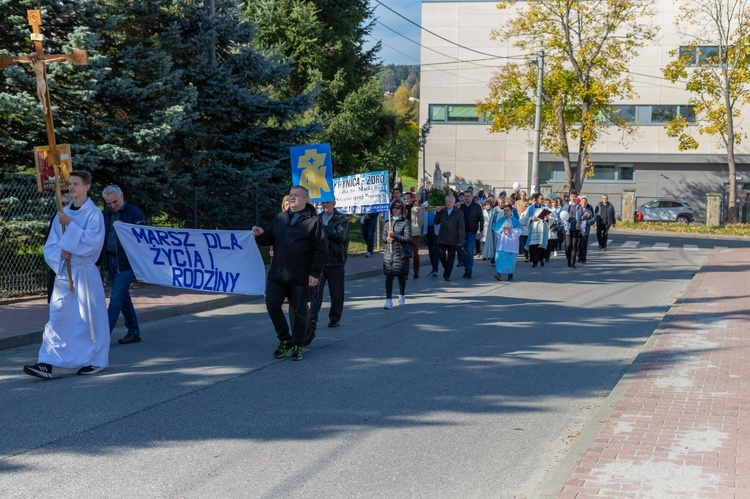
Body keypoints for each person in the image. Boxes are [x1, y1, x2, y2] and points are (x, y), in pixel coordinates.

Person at [24, 171, 110, 379]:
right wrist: (60, 253)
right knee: (58, 316)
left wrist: (70, 227)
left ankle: (97, 360)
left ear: (86, 187)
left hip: (85, 273)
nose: (70, 187)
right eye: (69, 184)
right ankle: (46, 362)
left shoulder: (93, 214)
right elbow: (51, 245)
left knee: (89, 318)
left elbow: (93, 243)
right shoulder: (62, 214)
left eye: (75, 184)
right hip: (65, 272)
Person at [252, 186, 327, 362]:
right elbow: (268, 238)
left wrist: (315, 274)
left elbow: (321, 251)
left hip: (301, 275)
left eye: (296, 195)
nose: (292, 198)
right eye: (290, 195)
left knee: (300, 311)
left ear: (305, 199)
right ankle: (284, 339)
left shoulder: (313, 222)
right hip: (278, 273)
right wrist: (260, 234)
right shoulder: (280, 218)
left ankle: (297, 344)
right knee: (271, 304)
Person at [101, 185, 146, 344]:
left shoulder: (134, 212)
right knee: (123, 298)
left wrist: (126, 228)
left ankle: (102, 338)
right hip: (111, 260)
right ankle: (134, 331)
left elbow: (142, 235)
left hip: (126, 264)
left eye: (115, 202)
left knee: (116, 298)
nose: (112, 206)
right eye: (109, 203)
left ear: (122, 196)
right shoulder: (106, 214)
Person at [309, 199, 349, 333]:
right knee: (315, 292)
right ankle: (312, 318)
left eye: (327, 202)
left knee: (336, 292)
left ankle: (335, 318)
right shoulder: (317, 218)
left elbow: (339, 235)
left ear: (334, 203)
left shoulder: (341, 219)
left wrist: (322, 227)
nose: (325, 205)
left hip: (335, 260)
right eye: (323, 203)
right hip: (319, 261)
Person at [382, 199, 411, 309]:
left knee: (401, 276)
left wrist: (395, 236)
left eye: (398, 207)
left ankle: (402, 295)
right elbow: (383, 238)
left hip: (401, 253)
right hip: (389, 253)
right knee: (389, 276)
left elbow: (407, 238)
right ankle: (388, 299)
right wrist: (387, 239)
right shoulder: (387, 222)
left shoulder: (405, 222)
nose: (395, 209)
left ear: (402, 209)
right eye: (393, 207)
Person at [46, 193, 72, 303]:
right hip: (60, 263)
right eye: (61, 204)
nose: (63, 206)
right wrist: (59, 252)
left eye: (65, 203)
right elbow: (49, 243)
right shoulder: (55, 219)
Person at [434, 194, 465, 281]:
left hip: (453, 239)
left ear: (453, 203)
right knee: (441, 254)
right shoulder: (443, 211)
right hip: (442, 238)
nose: (448, 204)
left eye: (450, 202)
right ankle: (446, 267)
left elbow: (461, 227)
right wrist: (438, 212)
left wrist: (460, 240)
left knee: (451, 258)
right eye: (447, 202)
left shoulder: (459, 213)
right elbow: (436, 222)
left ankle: (447, 275)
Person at [520, 193, 550, 268]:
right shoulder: (530, 208)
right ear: (536, 199)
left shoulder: (545, 207)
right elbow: (523, 218)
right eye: (541, 198)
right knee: (533, 247)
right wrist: (530, 219)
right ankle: (534, 262)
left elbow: (551, 217)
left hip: (542, 229)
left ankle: (542, 259)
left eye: (543, 198)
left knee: (541, 246)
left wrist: (547, 219)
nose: (542, 200)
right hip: (533, 230)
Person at [493, 205, 522, 281]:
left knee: (510, 260)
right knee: (499, 258)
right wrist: (500, 230)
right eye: (504, 210)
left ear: (511, 211)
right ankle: (499, 273)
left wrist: (511, 230)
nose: (506, 212)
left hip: (511, 244)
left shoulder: (515, 221)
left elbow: (519, 232)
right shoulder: (500, 220)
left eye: (507, 210)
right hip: (502, 243)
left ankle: (510, 274)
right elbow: (496, 231)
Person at [459, 189, 484, 278]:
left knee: (469, 251)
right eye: (465, 196)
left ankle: (468, 271)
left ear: (472, 197)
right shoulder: (460, 207)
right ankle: (466, 268)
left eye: (468, 196)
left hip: (472, 232)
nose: (466, 198)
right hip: (462, 233)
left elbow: (481, 219)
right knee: (463, 252)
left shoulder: (476, 207)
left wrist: (481, 231)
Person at [405, 192, 424, 278]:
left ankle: (416, 271)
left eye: (408, 198)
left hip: (414, 233)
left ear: (412, 199)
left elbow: (421, 222)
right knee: (404, 254)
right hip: (404, 233)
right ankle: (405, 272)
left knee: (415, 253)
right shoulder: (402, 208)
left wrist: (419, 213)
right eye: (405, 199)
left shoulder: (416, 208)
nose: (407, 200)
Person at [563, 190, 584, 268]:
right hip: (567, 228)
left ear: (576, 197)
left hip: (576, 228)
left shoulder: (579, 206)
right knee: (568, 245)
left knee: (574, 246)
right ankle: (569, 258)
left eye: (574, 196)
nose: (573, 198)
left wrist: (585, 216)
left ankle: (572, 263)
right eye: (571, 196)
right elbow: (562, 216)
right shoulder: (566, 206)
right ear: (569, 196)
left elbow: (581, 217)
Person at [578, 195, 595, 263]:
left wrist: (587, 221)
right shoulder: (577, 210)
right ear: (580, 202)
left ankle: (583, 258)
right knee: (579, 244)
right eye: (582, 201)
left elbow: (593, 219)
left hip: (585, 230)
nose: (583, 203)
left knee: (584, 244)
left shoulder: (589, 210)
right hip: (578, 229)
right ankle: (579, 256)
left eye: (585, 202)